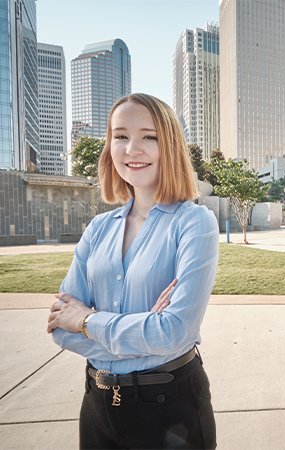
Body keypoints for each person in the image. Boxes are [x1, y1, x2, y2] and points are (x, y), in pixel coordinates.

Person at [47, 93, 219, 449]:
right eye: (120, 136)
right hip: (97, 406)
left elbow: (174, 332)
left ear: (169, 145)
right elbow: (59, 328)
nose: (131, 149)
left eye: (148, 137)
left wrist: (87, 321)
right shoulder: (97, 229)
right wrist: (144, 332)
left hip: (170, 408)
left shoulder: (195, 223)